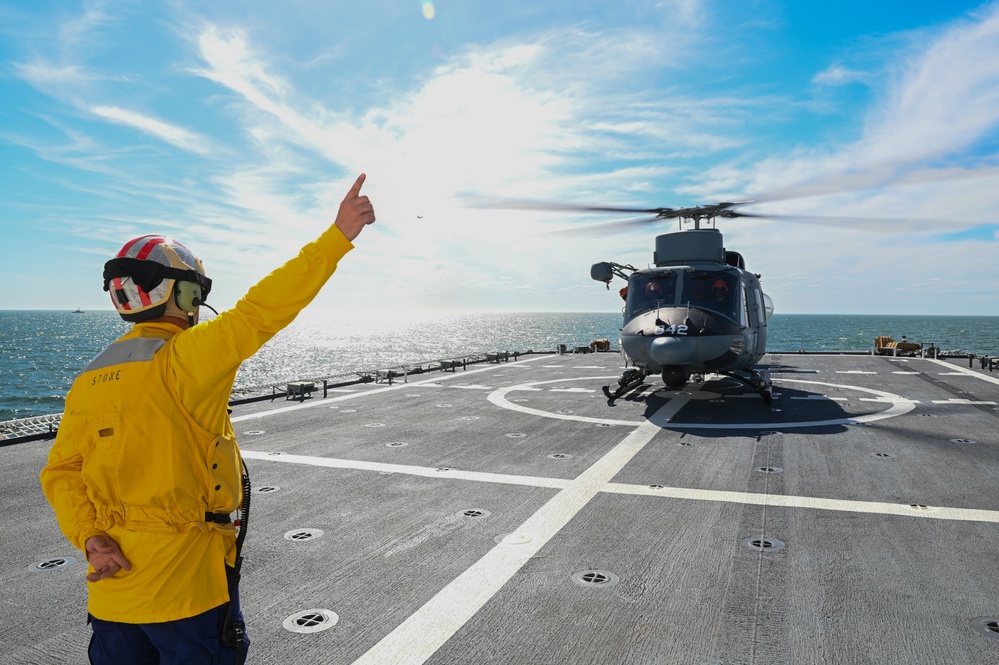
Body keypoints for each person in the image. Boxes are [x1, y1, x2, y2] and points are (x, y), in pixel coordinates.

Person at [40, 174, 376, 664]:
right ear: (185, 296)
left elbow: (61, 471)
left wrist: (91, 537)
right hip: (186, 592)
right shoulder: (186, 357)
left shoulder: (90, 377)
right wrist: (337, 237)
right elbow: (259, 312)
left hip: (112, 594)